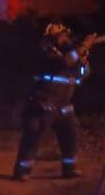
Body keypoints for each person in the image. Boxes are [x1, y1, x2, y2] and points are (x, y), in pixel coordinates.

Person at [13, 21, 96, 180]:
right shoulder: (45, 53)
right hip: (43, 104)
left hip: (64, 106)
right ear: (52, 39)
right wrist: (83, 47)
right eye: (61, 36)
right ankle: (22, 171)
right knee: (33, 137)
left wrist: (84, 59)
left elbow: (83, 74)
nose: (65, 39)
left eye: (66, 36)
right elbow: (63, 63)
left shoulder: (70, 54)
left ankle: (69, 168)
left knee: (70, 136)